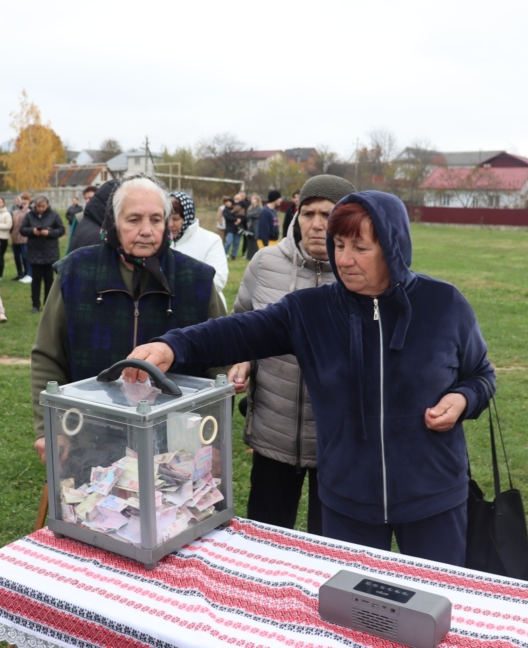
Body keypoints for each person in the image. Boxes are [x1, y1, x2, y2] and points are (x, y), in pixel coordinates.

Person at [124, 190, 495, 565]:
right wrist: (173, 346)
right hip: (348, 502)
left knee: (439, 605)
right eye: (339, 245)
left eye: (360, 248)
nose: (344, 260)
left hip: (435, 499)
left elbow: (481, 375)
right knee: (348, 610)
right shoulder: (310, 311)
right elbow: (236, 331)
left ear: (393, 248)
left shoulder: (444, 304)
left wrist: (463, 398)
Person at [30, 173, 227, 463]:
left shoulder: (196, 280)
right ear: (114, 223)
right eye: (134, 220)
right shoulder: (75, 274)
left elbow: (218, 365)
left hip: (177, 446)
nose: (146, 230)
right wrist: (48, 429)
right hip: (89, 438)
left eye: (156, 220)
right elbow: (48, 356)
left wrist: (214, 438)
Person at [229, 174, 355, 535]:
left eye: (328, 215)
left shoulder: (360, 272)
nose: (316, 225)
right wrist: (244, 359)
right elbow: (242, 325)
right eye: (307, 213)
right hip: (273, 431)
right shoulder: (265, 263)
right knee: (263, 542)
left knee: (329, 548)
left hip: (337, 443)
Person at [168, 191, 229, 305]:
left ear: (187, 218)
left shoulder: (211, 240)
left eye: (175, 219)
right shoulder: (160, 240)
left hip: (203, 308)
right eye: (166, 219)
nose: (170, 224)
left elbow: (218, 280)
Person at [19, 194, 65, 313]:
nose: (40, 209)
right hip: (34, 253)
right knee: (36, 280)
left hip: (50, 253)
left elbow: (61, 230)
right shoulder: (29, 216)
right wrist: (32, 231)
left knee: (49, 280)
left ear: (47, 205)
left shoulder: (54, 215)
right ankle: (35, 304)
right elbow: (22, 229)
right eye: (38, 206)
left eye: (43, 206)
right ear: (35, 206)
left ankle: (48, 305)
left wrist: (48, 233)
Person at [68, 180, 117, 253]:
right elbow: (71, 243)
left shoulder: (109, 217)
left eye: (90, 198)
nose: (87, 201)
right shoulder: (79, 217)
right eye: (85, 198)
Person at [10, 193, 32, 283]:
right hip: (16, 237)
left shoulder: (29, 211)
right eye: (22, 199)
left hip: (24, 237)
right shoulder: (16, 211)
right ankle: (20, 273)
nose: (23, 201)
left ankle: (29, 274)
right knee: (17, 256)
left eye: (25, 199)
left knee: (25, 256)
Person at [244, 195, 262, 260]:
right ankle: (249, 255)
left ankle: (255, 255)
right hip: (250, 226)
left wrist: (250, 215)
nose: (252, 200)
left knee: (255, 241)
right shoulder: (250, 208)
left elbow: (250, 214)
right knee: (250, 240)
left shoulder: (259, 208)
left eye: (253, 199)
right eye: (251, 199)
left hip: (256, 226)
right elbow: (247, 215)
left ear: (257, 200)